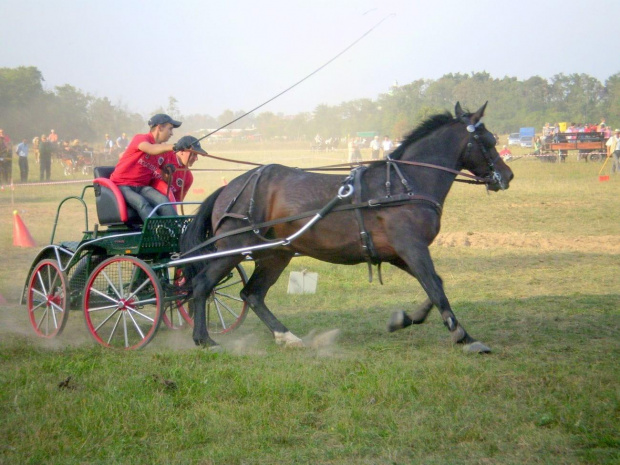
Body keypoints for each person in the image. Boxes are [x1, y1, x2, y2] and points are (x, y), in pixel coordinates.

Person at [110, 113, 192, 221]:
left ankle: (176, 229)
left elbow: (165, 177)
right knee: (142, 203)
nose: (171, 133)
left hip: (142, 186)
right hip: (122, 185)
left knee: (163, 201)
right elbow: (151, 149)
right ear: (159, 127)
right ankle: (157, 230)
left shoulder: (162, 152)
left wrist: (168, 171)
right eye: (170, 129)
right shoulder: (140, 138)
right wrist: (175, 146)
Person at [151, 135, 206, 202]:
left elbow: (176, 201)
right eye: (194, 154)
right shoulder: (163, 154)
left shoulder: (188, 177)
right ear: (182, 151)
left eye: (197, 155)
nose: (196, 158)